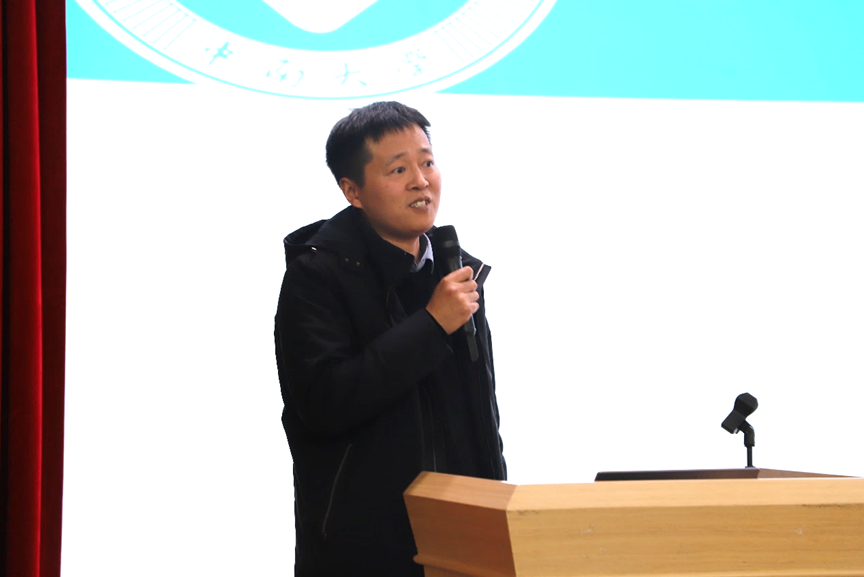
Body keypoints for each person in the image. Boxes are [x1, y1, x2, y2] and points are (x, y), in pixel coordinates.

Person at [274, 101, 506, 577]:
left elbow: (481, 413)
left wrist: (498, 512)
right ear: (352, 190)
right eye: (399, 169)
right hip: (364, 548)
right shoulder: (316, 277)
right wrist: (430, 325)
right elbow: (323, 404)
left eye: (427, 162)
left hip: (463, 540)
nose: (421, 181)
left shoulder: (455, 271)